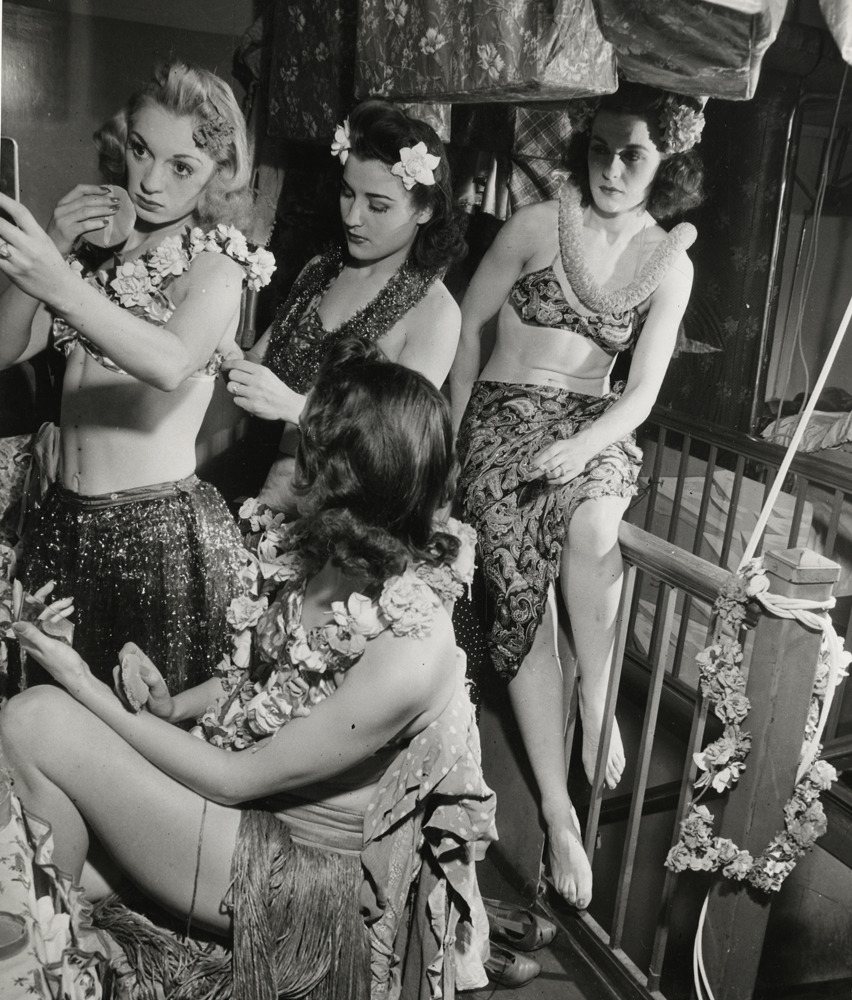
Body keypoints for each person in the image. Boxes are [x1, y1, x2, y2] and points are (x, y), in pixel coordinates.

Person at [0, 340, 494, 999]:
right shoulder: (336, 560)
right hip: (234, 825)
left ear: (348, 472)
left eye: (311, 446)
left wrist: (81, 682)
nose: (297, 459)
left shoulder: (413, 642)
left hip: (293, 882)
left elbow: (234, 779)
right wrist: (169, 705)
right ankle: (56, 971)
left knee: (36, 718)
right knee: (27, 865)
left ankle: (52, 973)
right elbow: (261, 678)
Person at [450, 82, 705, 908]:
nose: (613, 167)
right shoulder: (535, 225)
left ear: (666, 163)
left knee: (597, 526)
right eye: (600, 148)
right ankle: (560, 817)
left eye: (634, 154)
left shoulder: (670, 262)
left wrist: (585, 444)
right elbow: (464, 333)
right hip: (497, 420)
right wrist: (454, 447)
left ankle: (600, 698)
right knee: (524, 587)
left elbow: (640, 395)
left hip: (592, 426)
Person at [0, 62, 275, 691]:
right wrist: (58, 239)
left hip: (150, 539)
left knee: (129, 732)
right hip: (61, 521)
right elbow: (5, 347)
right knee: (44, 714)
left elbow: (168, 363)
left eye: (182, 167)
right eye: (141, 151)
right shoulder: (94, 255)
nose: (150, 181)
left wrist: (60, 282)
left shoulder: (216, 268)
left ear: (217, 176)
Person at [223, 98, 466, 509]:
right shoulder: (321, 269)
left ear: (424, 209)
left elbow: (397, 445)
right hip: (261, 481)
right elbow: (256, 364)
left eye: (377, 205)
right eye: (347, 193)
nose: (353, 217)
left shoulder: (435, 313)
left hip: (343, 508)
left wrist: (296, 407)